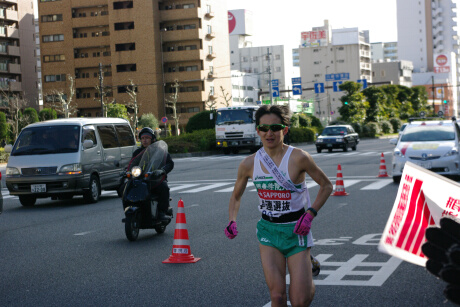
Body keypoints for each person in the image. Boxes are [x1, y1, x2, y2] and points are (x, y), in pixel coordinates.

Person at [225, 105, 333, 306]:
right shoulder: (248, 164)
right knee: (277, 296)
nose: (269, 133)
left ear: (285, 129)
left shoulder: (299, 157)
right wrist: (232, 220)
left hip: (296, 230)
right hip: (268, 231)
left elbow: (327, 186)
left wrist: (310, 214)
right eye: (263, 128)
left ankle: (306, 271)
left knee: (300, 301)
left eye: (275, 127)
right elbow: (236, 196)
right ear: (257, 130)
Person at [131, 127, 174, 220]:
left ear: (153, 139)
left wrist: (162, 171)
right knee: (126, 186)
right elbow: (132, 163)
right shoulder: (137, 152)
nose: (144, 140)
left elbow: (170, 163)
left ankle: (162, 212)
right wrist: (127, 171)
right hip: (141, 178)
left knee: (164, 188)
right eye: (142, 138)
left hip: (156, 179)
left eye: (147, 138)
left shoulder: (160, 151)